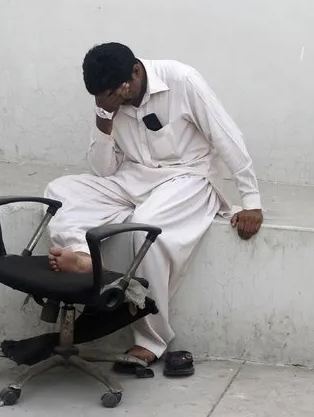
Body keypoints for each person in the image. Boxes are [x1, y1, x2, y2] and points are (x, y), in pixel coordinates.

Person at [44, 42, 263, 366]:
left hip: (187, 177)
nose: (121, 100)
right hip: (132, 178)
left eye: (122, 93)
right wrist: (104, 118)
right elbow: (104, 170)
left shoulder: (182, 80)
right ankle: (83, 255)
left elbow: (225, 135)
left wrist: (252, 200)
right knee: (60, 191)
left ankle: (150, 340)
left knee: (145, 228)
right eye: (108, 98)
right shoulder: (110, 100)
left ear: (135, 70)